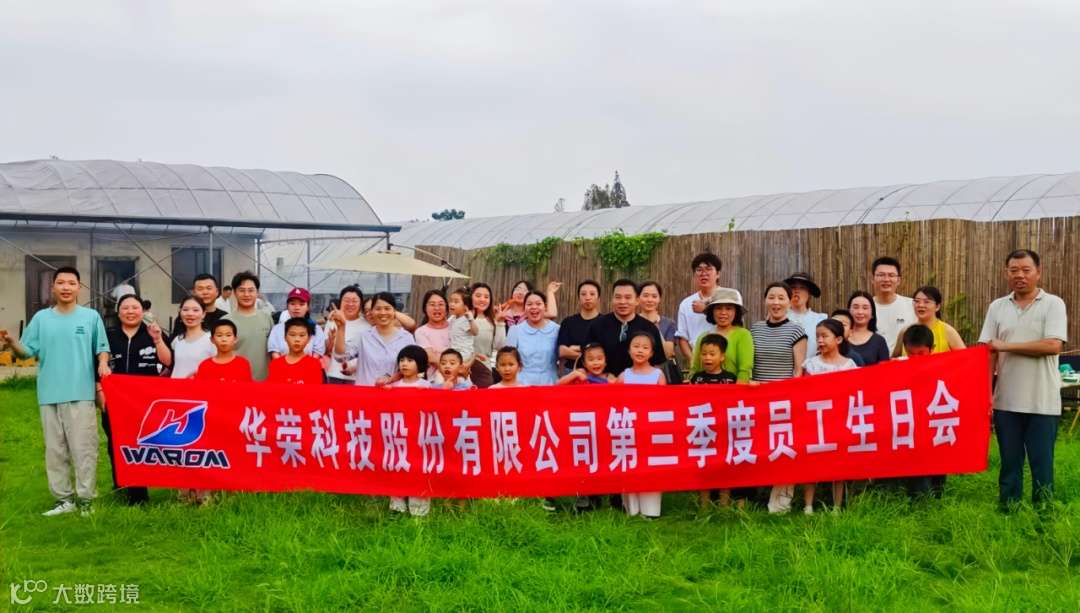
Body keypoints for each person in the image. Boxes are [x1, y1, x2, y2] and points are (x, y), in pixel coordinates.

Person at [2, 268, 110, 516]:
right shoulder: (41, 318)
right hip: (49, 393)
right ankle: (64, 500)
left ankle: (86, 500)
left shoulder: (90, 317)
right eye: (60, 283)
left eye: (71, 283)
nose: (66, 287)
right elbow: (26, 352)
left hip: (80, 393)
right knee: (55, 450)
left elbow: (102, 347)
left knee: (84, 449)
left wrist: (103, 364)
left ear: (79, 288)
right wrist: (12, 343)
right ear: (53, 288)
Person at [979, 249, 1068, 507]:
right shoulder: (997, 307)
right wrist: (986, 393)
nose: (1020, 275)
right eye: (1014, 270)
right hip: (1005, 401)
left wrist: (1006, 345)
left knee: (1042, 463)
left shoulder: (1053, 303)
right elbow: (988, 353)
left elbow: (1052, 345)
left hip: (1043, 401)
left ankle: (1044, 512)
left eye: (1026, 270)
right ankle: (1009, 508)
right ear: (1006, 273)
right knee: (1009, 462)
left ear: (1038, 273)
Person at [101, 294, 171, 506]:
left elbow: (169, 361)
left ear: (143, 311)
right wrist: (99, 392)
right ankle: (121, 485)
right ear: (118, 311)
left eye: (135, 307)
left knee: (140, 444)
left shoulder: (154, 333)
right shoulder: (108, 335)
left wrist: (157, 339)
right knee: (115, 444)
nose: (130, 311)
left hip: (144, 402)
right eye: (125, 308)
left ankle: (139, 494)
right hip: (114, 400)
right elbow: (96, 363)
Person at [750, 282, 808, 515]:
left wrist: (791, 396)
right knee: (759, 448)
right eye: (771, 297)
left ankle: (781, 503)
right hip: (756, 399)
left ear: (790, 302)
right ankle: (756, 496)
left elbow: (798, 369)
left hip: (783, 400)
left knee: (782, 448)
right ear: (765, 300)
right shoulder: (755, 329)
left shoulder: (796, 331)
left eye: (781, 298)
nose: (776, 302)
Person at [801, 319, 859, 514]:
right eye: (817, 336)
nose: (820, 340)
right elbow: (802, 391)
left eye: (825, 336)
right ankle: (808, 505)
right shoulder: (810, 364)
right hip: (813, 421)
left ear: (838, 339)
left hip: (838, 420)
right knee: (810, 463)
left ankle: (836, 506)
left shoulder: (849, 366)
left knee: (838, 464)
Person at [617, 331, 666, 518]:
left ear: (651, 353)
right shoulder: (623, 376)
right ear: (629, 350)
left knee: (651, 468)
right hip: (629, 430)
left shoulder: (658, 375)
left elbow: (664, 403)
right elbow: (614, 404)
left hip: (651, 429)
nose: (640, 351)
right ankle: (631, 509)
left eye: (645, 347)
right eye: (636, 346)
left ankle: (651, 510)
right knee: (630, 467)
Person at [689, 333, 738, 508]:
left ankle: (724, 506)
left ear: (722, 356)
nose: (707, 358)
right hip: (703, 429)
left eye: (712, 354)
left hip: (724, 430)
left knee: (725, 466)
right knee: (705, 467)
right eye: (704, 354)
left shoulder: (731, 379)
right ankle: (703, 506)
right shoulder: (697, 379)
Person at [897, 325, 945, 498]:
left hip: (933, 422)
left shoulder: (941, 367)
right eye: (911, 353)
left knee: (937, 459)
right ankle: (919, 498)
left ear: (932, 349)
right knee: (916, 462)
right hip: (911, 425)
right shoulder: (898, 366)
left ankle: (938, 493)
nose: (915, 358)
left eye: (921, 354)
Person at [583, 279, 666, 377]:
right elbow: (585, 358)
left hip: (639, 382)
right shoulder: (597, 325)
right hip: (604, 382)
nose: (622, 302)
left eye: (628, 297)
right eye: (618, 297)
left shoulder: (649, 328)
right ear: (612, 299)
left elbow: (658, 363)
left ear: (637, 300)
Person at [332, 292, 416, 387]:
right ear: (372, 311)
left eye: (387, 308)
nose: (383, 313)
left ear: (394, 311)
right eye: (378, 309)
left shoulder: (406, 338)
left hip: (395, 393)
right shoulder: (363, 337)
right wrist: (341, 328)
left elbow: (415, 368)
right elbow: (340, 356)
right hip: (366, 394)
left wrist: (390, 379)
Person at [690, 288, 754, 382]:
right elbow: (695, 369)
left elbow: (744, 371)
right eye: (718, 308)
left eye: (729, 308)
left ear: (736, 311)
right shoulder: (703, 337)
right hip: (705, 390)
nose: (723, 313)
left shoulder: (743, 335)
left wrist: (737, 389)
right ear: (712, 311)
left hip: (734, 390)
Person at [222, 271, 274, 381]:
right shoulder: (225, 321)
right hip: (236, 383)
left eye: (251, 290)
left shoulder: (267, 318)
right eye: (241, 290)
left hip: (264, 383)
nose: (246, 294)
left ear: (257, 293)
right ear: (234, 293)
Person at [890, 286, 967, 357]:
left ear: (937, 307)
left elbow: (966, 358)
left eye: (926, 302)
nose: (921, 305)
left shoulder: (947, 331)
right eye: (917, 301)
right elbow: (894, 360)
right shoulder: (905, 331)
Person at [505, 290, 561, 386]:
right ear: (524, 308)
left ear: (545, 307)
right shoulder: (515, 330)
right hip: (522, 384)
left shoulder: (557, 330)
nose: (534, 307)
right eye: (529, 304)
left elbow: (563, 360)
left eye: (538, 304)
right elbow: (508, 360)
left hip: (551, 383)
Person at [675, 252, 723, 361]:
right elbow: (682, 337)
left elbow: (736, 324)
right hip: (698, 358)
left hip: (725, 357)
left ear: (718, 273)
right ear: (694, 275)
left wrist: (706, 310)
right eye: (699, 270)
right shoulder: (686, 304)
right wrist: (693, 362)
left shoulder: (729, 296)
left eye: (708, 269)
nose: (703, 273)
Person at [324, 286, 370, 384]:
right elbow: (326, 350)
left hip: (356, 378)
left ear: (360, 303)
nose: (350, 304)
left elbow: (368, 354)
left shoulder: (367, 326)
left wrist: (355, 366)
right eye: (346, 300)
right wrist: (330, 340)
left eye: (354, 301)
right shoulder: (333, 321)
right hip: (334, 375)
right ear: (340, 302)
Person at [870, 257, 916, 355]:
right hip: (873, 362)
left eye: (891, 275)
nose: (886, 279)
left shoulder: (912, 305)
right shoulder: (865, 309)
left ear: (898, 280)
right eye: (881, 275)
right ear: (872, 279)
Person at [267, 287, 328, 360]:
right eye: (292, 304)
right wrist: (285, 366)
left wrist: (303, 366)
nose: (296, 308)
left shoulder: (316, 330)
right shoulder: (277, 329)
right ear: (287, 306)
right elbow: (275, 354)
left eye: (301, 304)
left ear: (308, 307)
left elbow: (316, 356)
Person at [467, 283, 506, 388]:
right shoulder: (459, 317)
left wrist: (500, 323)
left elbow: (500, 346)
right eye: (478, 296)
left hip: (483, 370)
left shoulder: (492, 320)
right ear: (470, 297)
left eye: (486, 297)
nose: (482, 300)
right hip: (461, 368)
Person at [558, 280, 602, 373]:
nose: (588, 297)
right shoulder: (568, 322)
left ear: (599, 298)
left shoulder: (605, 322)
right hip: (572, 371)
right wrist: (592, 356)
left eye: (592, 294)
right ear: (578, 297)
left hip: (599, 372)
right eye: (583, 294)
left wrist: (577, 348)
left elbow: (606, 351)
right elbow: (562, 351)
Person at [639, 281, 679, 382]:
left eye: (654, 296)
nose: (650, 300)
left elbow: (668, 353)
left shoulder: (669, 324)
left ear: (659, 299)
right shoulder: (632, 322)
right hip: (636, 374)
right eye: (645, 296)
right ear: (638, 298)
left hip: (661, 376)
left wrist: (655, 328)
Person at [169, 296, 216, 379]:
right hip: (176, 386)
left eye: (195, 310)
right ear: (180, 312)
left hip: (199, 386)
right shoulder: (177, 340)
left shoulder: (212, 340)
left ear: (204, 314)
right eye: (185, 309)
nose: (190, 314)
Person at [268, 318, 326, 385]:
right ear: (285, 337)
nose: (297, 339)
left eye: (302, 335)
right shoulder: (275, 364)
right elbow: (272, 389)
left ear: (308, 339)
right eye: (292, 335)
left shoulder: (314, 364)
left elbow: (316, 390)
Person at [784, 272, 828, 357]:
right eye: (793, 287)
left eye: (802, 288)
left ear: (809, 294)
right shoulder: (780, 317)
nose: (797, 291)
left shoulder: (820, 320)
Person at [171, 273, 226, 338]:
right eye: (200, 289)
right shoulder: (187, 318)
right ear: (194, 293)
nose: (205, 292)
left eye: (209, 288)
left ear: (217, 292)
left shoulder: (225, 317)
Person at [415, 290, 452, 381]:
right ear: (425, 308)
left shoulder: (455, 327)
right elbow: (431, 358)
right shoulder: (421, 332)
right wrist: (456, 371)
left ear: (446, 308)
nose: (437, 308)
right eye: (432, 304)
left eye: (441, 304)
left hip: (459, 379)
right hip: (434, 381)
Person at [847, 291, 891, 366]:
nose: (860, 312)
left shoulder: (879, 341)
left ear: (872, 313)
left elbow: (885, 370)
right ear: (848, 311)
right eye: (856, 307)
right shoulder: (839, 338)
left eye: (865, 308)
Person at [446, 288, 478, 373]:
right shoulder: (452, 318)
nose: (452, 304)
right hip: (453, 353)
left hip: (464, 354)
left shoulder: (466, 319)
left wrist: (470, 319)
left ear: (465, 306)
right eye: (451, 301)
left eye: (456, 302)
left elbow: (475, 332)